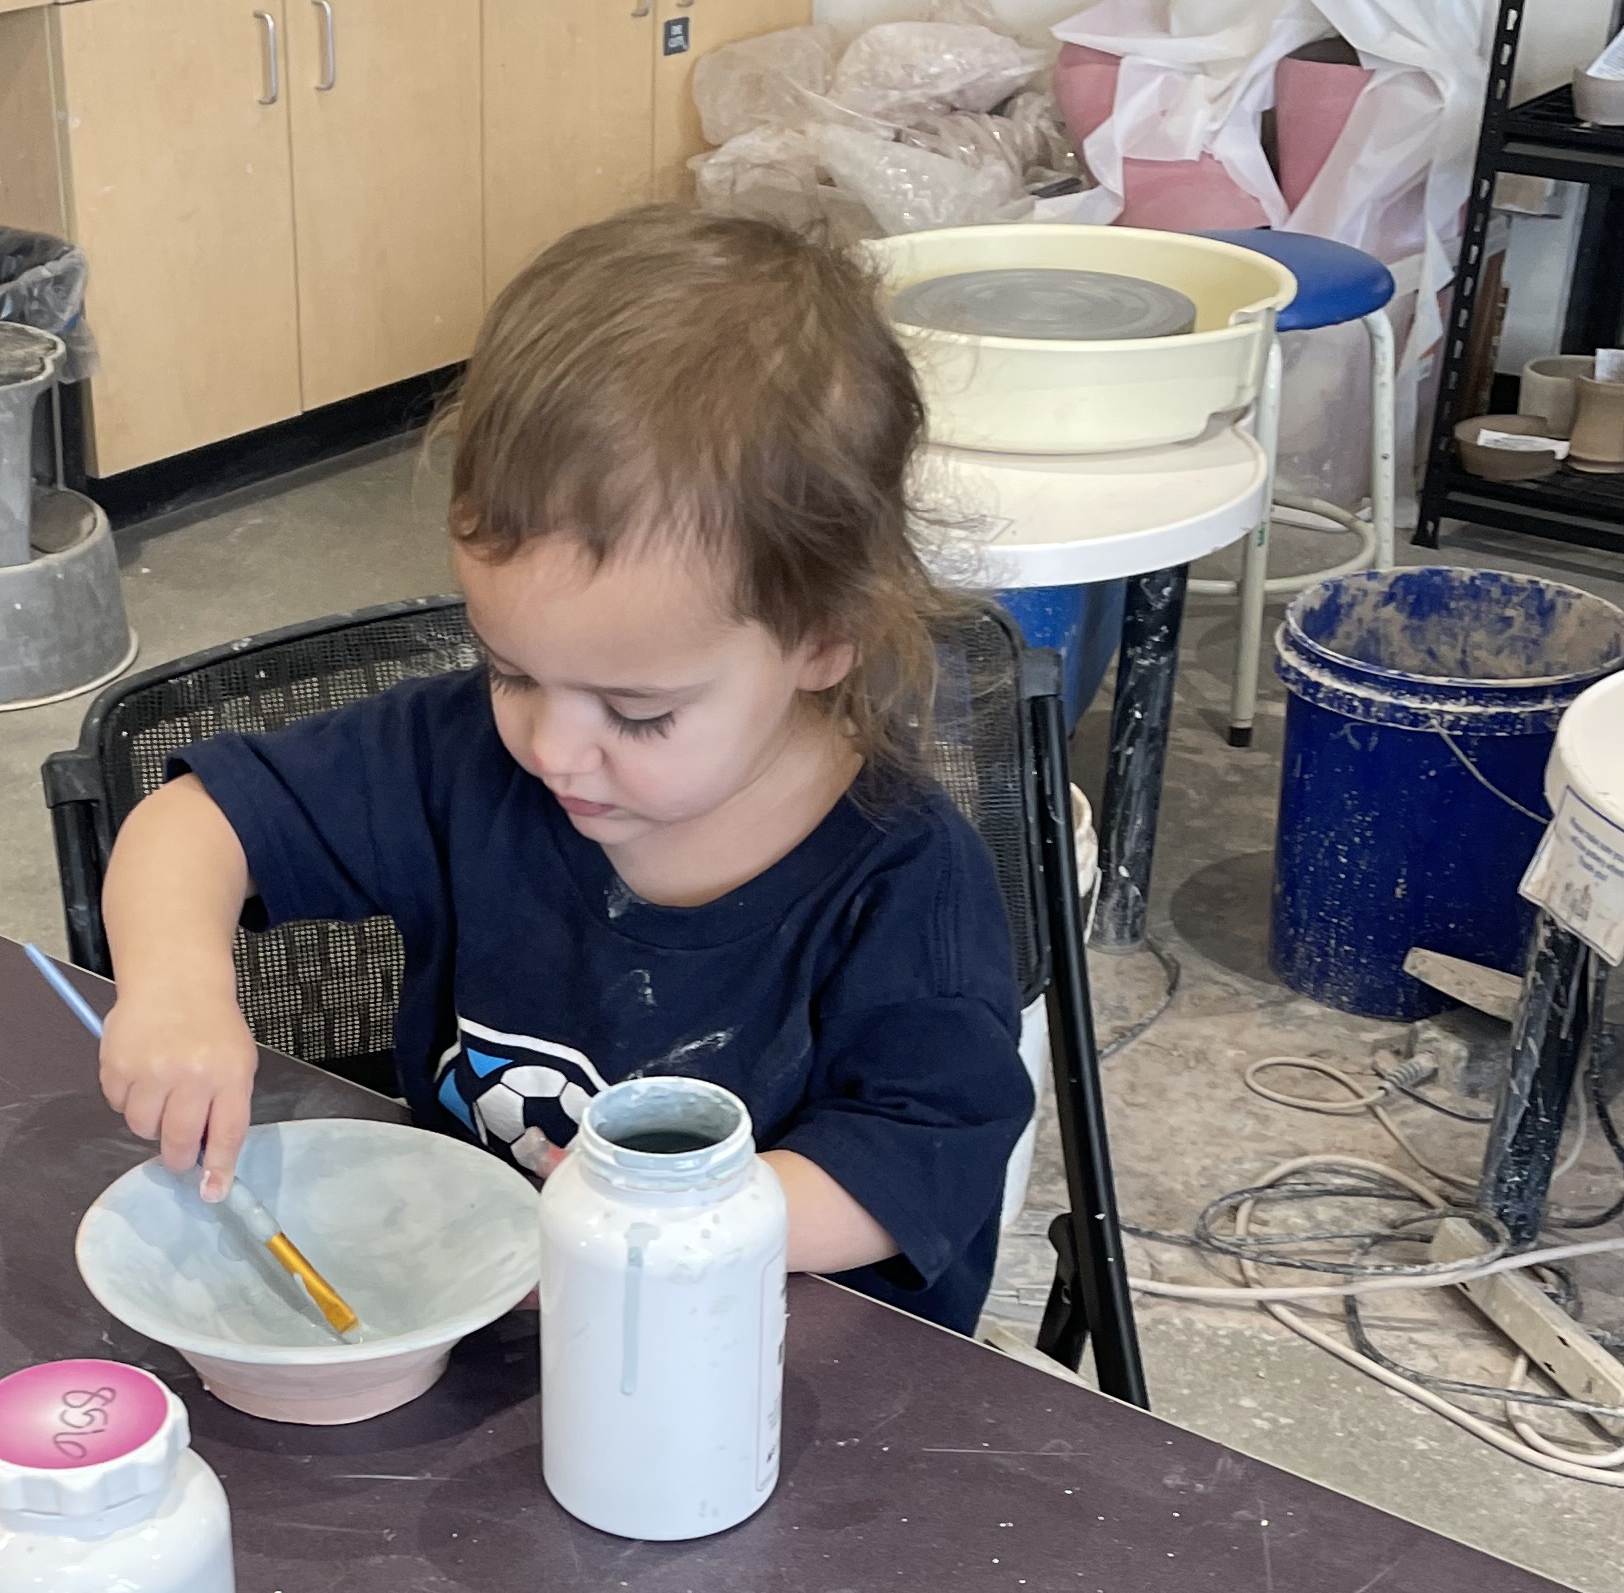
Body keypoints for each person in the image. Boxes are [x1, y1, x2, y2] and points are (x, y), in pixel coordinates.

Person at [95, 201, 1037, 1332]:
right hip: (483, 1329)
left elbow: (914, 1166)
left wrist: (634, 1234)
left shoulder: (904, 883)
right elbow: (196, 826)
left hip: (760, 1369)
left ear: (822, 639)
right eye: (509, 669)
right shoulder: (458, 762)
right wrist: (176, 987)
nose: (549, 746)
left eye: (637, 713)